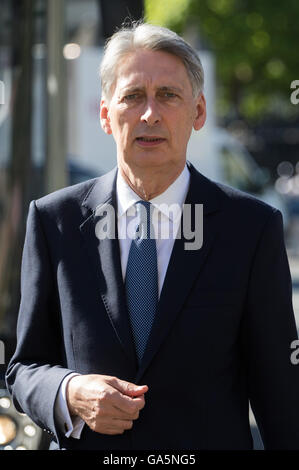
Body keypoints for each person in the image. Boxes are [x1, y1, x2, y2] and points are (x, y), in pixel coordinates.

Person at [5, 22, 299, 451]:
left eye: (168, 95)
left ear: (198, 112)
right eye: (132, 96)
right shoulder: (55, 222)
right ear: (106, 114)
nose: (149, 114)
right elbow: (23, 368)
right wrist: (68, 392)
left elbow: (281, 393)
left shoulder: (250, 229)